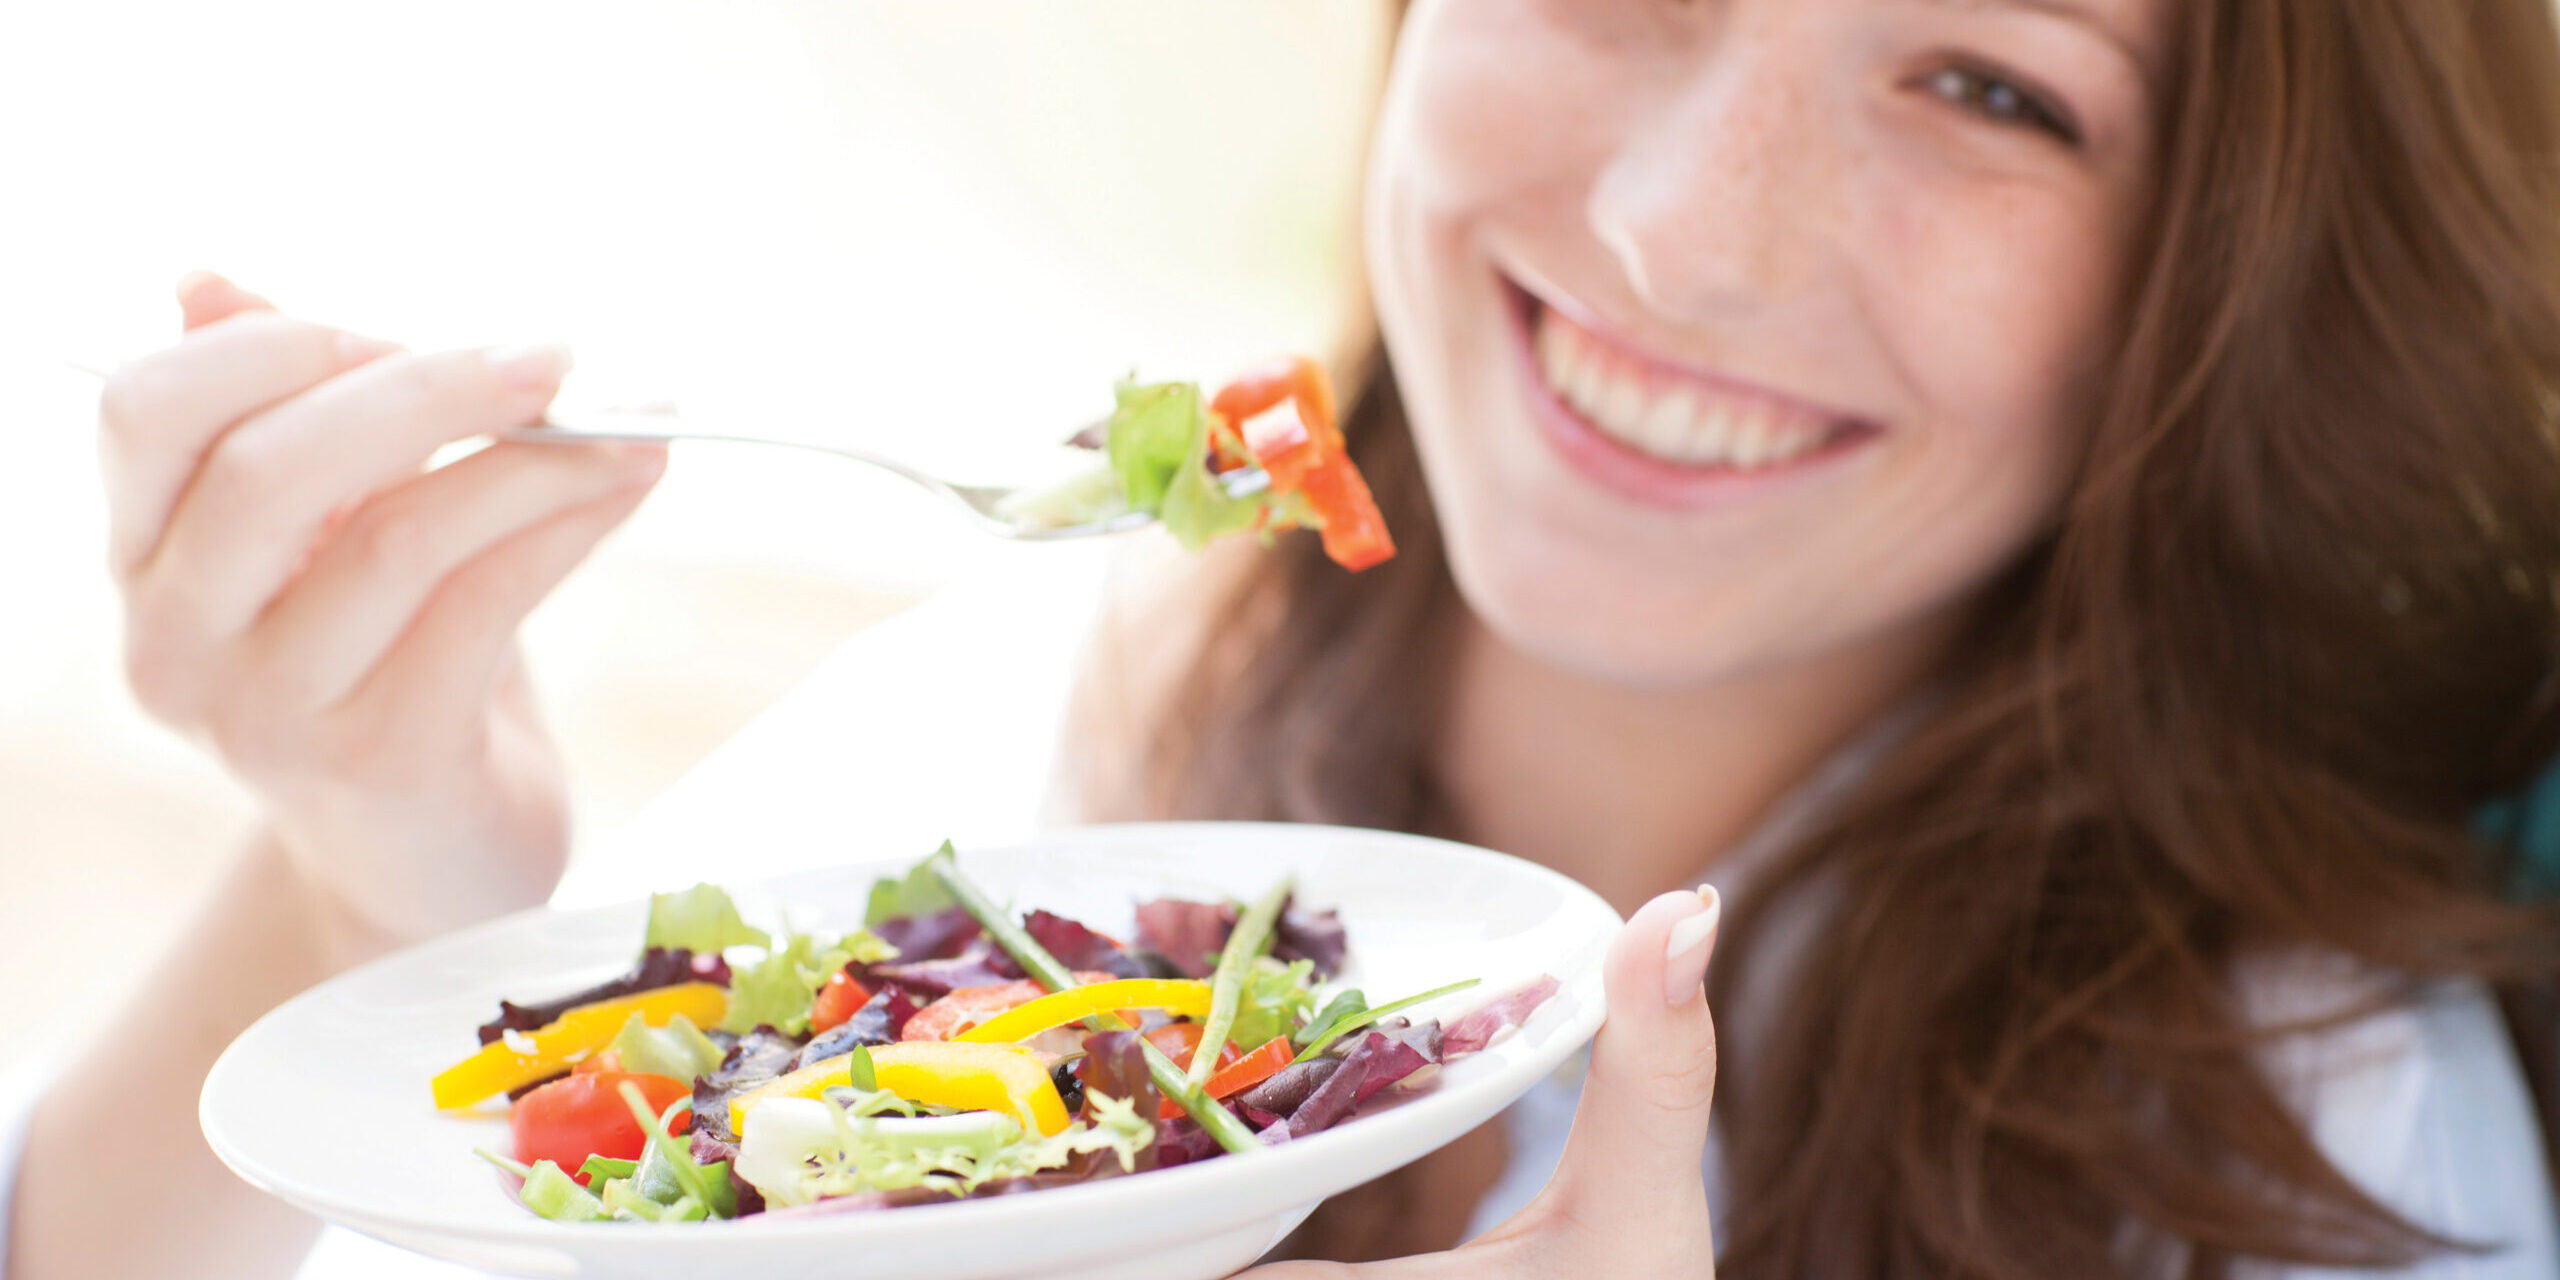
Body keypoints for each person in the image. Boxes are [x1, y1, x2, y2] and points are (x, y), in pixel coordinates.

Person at [11, 0, 2560, 1276]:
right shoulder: (1015, 739)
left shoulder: (2310, 1142)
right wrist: (377, 892)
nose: (1689, 229)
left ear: (2225, 271)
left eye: (1992, 88)